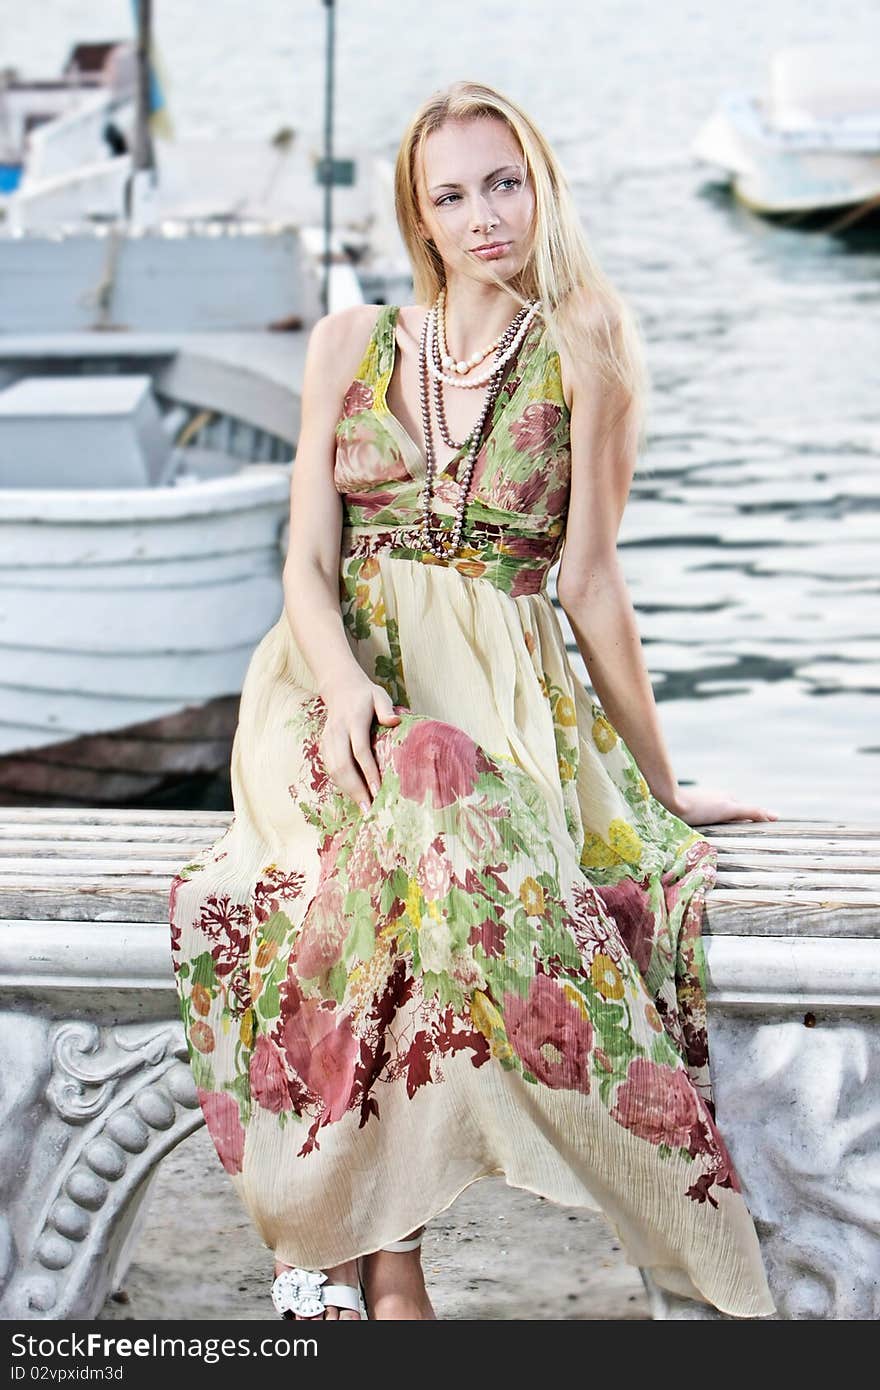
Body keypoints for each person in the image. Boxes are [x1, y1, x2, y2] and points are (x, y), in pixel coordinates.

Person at [168, 79, 779, 1323]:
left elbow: (592, 581)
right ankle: (375, 1261)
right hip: (325, 678)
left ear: (541, 182)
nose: (484, 213)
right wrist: (340, 681)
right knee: (325, 866)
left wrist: (658, 786)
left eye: (503, 181)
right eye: (451, 194)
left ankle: (358, 1263)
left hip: (494, 692)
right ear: (419, 215)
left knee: (439, 823)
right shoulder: (352, 340)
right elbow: (302, 557)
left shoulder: (585, 339)